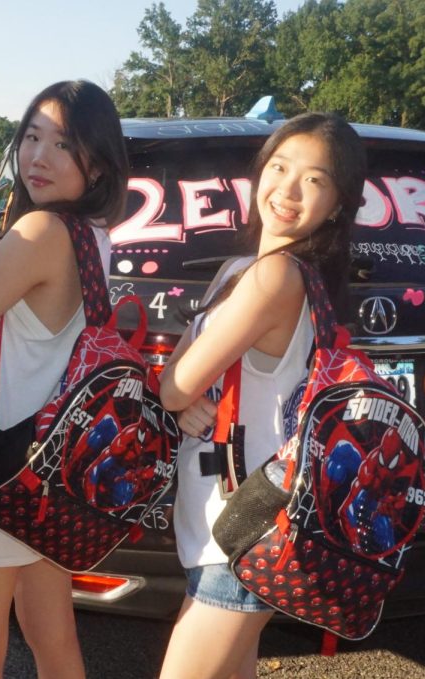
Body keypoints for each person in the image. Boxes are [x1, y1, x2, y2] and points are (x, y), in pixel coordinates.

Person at [156, 112, 367, 679]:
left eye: (315, 179)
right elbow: (182, 375)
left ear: (339, 204)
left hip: (247, 531)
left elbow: (175, 381)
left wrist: (177, 394)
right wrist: (179, 393)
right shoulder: (242, 269)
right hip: (224, 526)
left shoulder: (275, 278)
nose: (288, 189)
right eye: (279, 167)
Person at [0, 80, 129, 679]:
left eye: (63, 145)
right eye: (31, 137)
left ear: (96, 162)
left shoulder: (39, 233)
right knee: (54, 642)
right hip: (46, 477)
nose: (38, 157)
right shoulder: (94, 238)